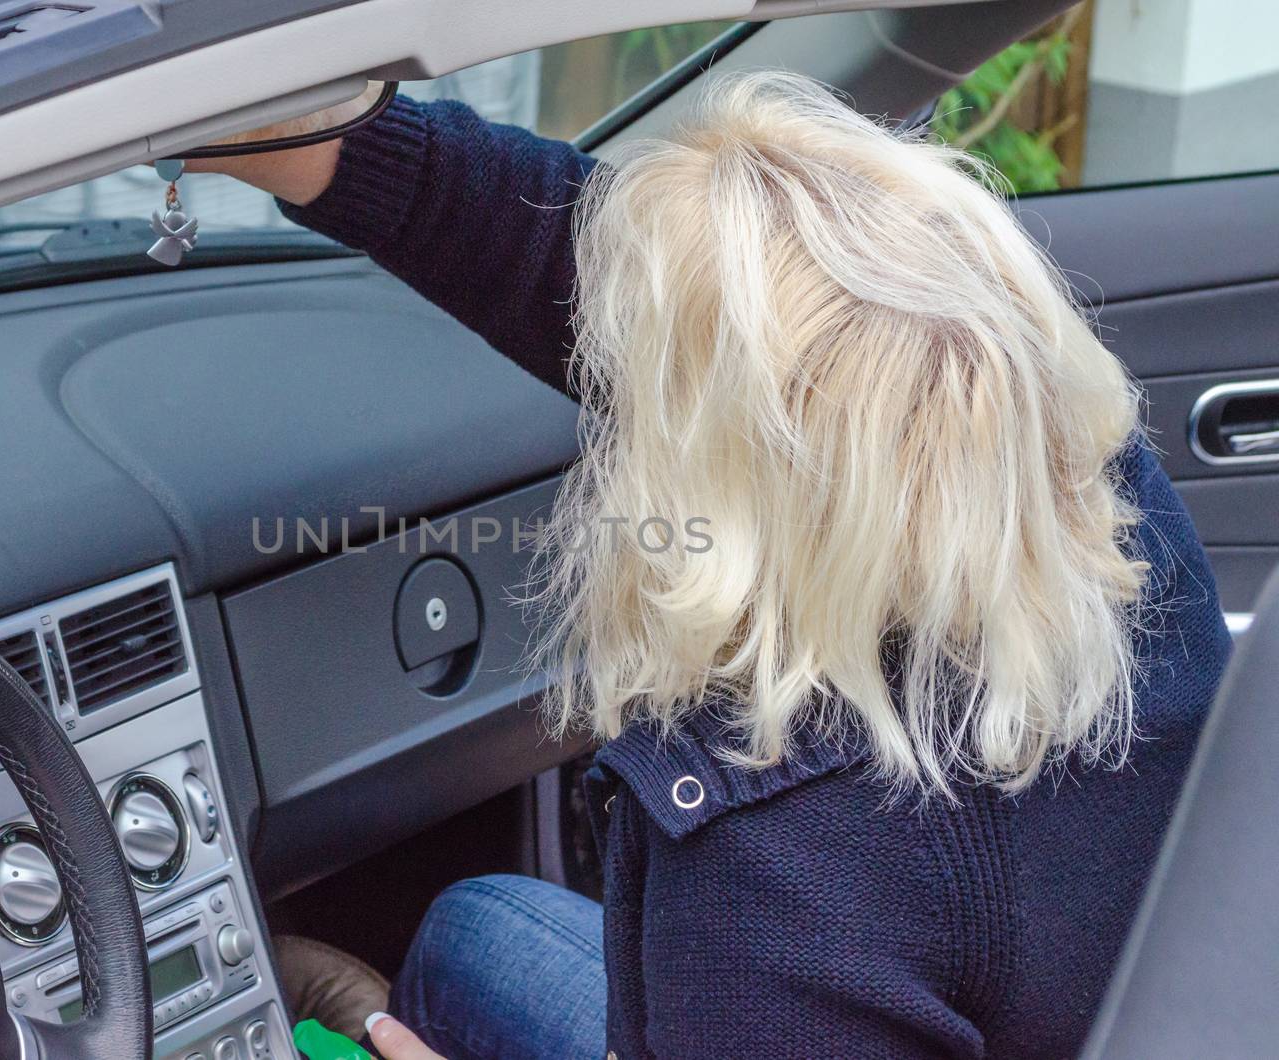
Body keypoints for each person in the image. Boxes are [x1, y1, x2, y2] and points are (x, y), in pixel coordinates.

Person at [193, 72, 1230, 1059]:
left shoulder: (777, 881)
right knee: (479, 921)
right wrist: (338, 141)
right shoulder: (1106, 501)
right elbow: (635, 287)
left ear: (708, 471)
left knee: (466, 936)